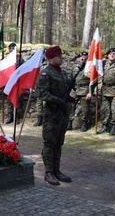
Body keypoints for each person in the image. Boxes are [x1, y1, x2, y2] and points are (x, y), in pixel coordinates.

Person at [36, 46, 72, 186]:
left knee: (59, 143)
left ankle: (57, 170)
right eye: (58, 55)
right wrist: (57, 101)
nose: (61, 57)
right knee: (49, 143)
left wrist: (67, 99)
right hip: (52, 113)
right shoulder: (45, 74)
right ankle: (49, 172)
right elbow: (41, 93)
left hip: (62, 113)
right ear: (51, 58)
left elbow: (66, 88)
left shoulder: (63, 73)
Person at [97, 48, 115, 135]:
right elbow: (98, 75)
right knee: (104, 109)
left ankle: (114, 126)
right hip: (105, 89)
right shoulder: (103, 64)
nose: (112, 55)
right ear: (107, 55)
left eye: (114, 53)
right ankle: (104, 125)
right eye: (111, 54)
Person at [67, 52, 91, 132]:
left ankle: (84, 123)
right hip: (75, 89)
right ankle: (69, 123)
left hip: (85, 89)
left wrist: (90, 92)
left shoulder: (89, 67)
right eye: (81, 57)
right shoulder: (74, 66)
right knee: (71, 106)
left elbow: (93, 81)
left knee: (85, 108)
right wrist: (70, 90)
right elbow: (70, 78)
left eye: (85, 57)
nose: (83, 58)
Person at [5, 42, 25, 124]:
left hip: (17, 82)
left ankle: (16, 116)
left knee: (17, 99)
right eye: (10, 48)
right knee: (9, 99)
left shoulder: (20, 59)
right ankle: (10, 116)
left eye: (13, 48)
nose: (12, 49)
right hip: (9, 82)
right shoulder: (6, 59)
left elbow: (24, 69)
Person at [33, 53, 48, 127]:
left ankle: (45, 119)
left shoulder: (47, 63)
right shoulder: (36, 63)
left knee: (45, 103)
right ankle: (39, 119)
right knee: (39, 103)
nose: (42, 56)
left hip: (45, 86)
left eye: (43, 54)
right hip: (37, 85)